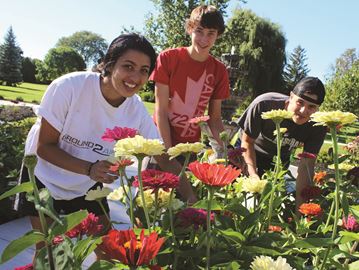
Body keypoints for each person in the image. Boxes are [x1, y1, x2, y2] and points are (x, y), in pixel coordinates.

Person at [19, 33, 196, 263]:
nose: (135, 77)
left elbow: (164, 158)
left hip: (88, 184)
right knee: (48, 254)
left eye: (144, 70)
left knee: (110, 250)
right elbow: (44, 147)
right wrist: (90, 168)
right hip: (44, 177)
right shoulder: (69, 87)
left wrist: (193, 199)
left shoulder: (136, 111)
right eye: (128, 66)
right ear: (109, 64)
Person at [150, 5, 230, 155]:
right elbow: (160, 111)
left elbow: (215, 120)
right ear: (190, 29)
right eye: (199, 31)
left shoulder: (219, 70)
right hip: (158, 142)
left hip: (189, 148)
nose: (204, 39)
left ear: (217, 35)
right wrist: (168, 153)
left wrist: (230, 151)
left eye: (211, 33)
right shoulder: (168, 58)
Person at [236, 77, 327, 210]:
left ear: (317, 109)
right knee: (240, 198)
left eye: (311, 107)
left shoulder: (318, 126)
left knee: (270, 205)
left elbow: (306, 166)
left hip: (278, 161)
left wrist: (301, 211)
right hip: (248, 150)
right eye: (300, 102)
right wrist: (253, 176)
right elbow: (247, 141)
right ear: (291, 96)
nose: (303, 111)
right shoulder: (264, 104)